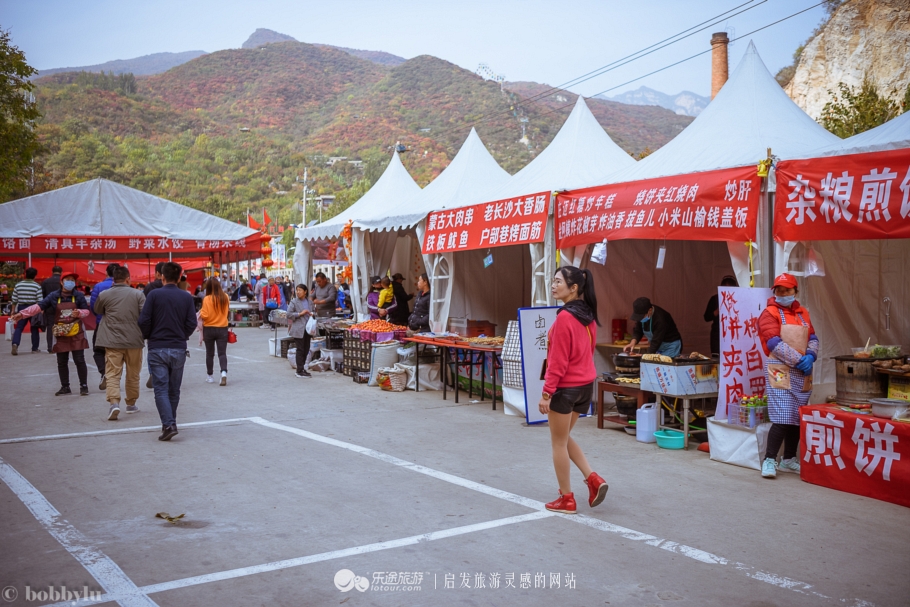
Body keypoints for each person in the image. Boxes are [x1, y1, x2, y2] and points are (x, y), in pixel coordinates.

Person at [538, 266, 608, 514]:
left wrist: (547, 393)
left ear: (574, 287)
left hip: (565, 389)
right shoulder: (588, 316)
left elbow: (558, 362)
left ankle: (566, 498)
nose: (553, 285)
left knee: (557, 442)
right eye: (553, 280)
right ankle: (593, 478)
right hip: (584, 387)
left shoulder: (565, 319)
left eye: (558, 281)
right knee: (564, 437)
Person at [758, 273, 818, 479]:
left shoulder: (803, 313)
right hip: (780, 370)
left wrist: (811, 356)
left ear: (795, 291)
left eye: (787, 290)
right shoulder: (769, 313)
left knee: (796, 418)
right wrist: (798, 360)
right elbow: (773, 341)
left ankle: (789, 459)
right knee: (783, 417)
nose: (783, 293)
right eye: (779, 290)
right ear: (774, 292)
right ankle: (769, 459)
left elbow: (813, 337)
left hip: (802, 371)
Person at [138, 262, 197, 441]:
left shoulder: (154, 295)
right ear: (179, 277)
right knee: (174, 390)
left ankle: (169, 424)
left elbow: (143, 320)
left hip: (157, 347)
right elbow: (192, 323)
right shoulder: (186, 297)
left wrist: (149, 336)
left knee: (161, 389)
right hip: (178, 348)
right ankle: (170, 422)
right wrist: (182, 336)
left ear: (161, 277)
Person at [12, 271, 91, 396]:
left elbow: (87, 311)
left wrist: (80, 313)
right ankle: (65, 387)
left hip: (77, 332)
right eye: (68, 279)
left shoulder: (79, 296)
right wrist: (22, 314)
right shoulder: (53, 296)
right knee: (61, 361)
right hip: (60, 332)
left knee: (79, 360)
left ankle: (84, 386)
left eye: (72, 280)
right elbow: (39, 306)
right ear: (61, 282)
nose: (70, 282)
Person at [93, 265, 146, 420]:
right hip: (134, 340)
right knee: (133, 373)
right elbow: (144, 315)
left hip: (112, 340)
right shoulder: (138, 295)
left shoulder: (104, 294)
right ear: (128, 279)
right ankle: (131, 404)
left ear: (113, 280)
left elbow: (97, 310)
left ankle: (114, 403)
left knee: (112, 373)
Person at [90, 263, 120, 390]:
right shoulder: (125, 287)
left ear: (106, 273)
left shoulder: (99, 286)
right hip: (119, 325)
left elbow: (93, 306)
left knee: (98, 351)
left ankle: (104, 373)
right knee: (116, 352)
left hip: (102, 323)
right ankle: (114, 377)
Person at [200, 277, 230, 386]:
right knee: (222, 353)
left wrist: (201, 315)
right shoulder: (225, 297)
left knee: (210, 353)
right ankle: (223, 373)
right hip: (222, 328)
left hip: (209, 329)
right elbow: (227, 313)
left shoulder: (207, 299)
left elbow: (205, 315)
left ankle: (210, 376)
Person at [10, 267, 44, 355]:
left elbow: (14, 299)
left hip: (21, 308)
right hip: (33, 308)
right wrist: (41, 311)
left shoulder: (18, 285)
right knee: (34, 328)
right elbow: (40, 300)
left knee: (19, 328)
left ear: (25, 274)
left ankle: (15, 344)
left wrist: (13, 311)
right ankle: (34, 348)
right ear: (35, 276)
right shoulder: (37, 286)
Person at [704, 275, 739, 356]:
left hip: (733, 334)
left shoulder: (738, 298)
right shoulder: (715, 299)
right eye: (725, 289)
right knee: (717, 358)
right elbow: (706, 317)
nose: (727, 291)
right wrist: (715, 312)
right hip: (717, 335)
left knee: (732, 357)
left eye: (730, 289)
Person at [287, 284, 314, 378]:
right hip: (298, 329)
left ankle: (302, 368)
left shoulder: (310, 302)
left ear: (305, 291)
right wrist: (299, 314)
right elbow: (288, 314)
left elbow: (313, 311)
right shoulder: (294, 302)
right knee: (300, 349)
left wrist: (313, 314)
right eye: (297, 290)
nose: (298, 292)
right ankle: (299, 370)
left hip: (308, 329)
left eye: (300, 290)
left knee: (306, 349)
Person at [41, 266, 62, 353]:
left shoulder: (45, 282)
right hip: (61, 307)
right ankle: (60, 346)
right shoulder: (62, 282)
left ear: (52, 271)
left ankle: (50, 347)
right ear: (61, 272)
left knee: (50, 327)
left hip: (49, 307)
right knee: (61, 326)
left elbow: (43, 296)